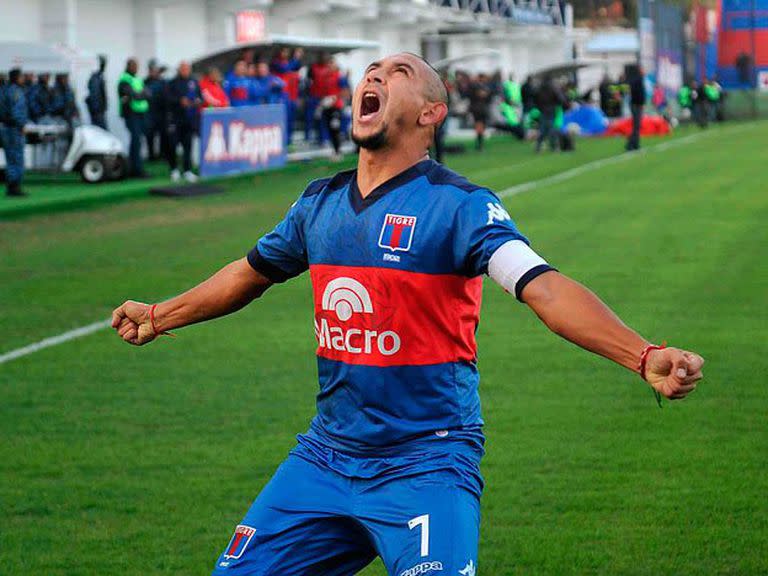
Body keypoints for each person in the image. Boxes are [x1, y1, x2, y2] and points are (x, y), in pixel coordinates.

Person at [111, 52, 704, 576]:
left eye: (399, 73)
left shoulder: (461, 206)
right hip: (324, 456)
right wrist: (160, 316)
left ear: (430, 114)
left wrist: (642, 354)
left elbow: (543, 288)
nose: (376, 76)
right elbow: (248, 274)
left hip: (427, 460)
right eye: (372, 71)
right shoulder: (317, 203)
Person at [166, 61, 202, 182]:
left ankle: (187, 170)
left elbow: (200, 96)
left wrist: (197, 101)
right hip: (175, 119)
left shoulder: (194, 82)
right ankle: (174, 169)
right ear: (179, 69)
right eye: (183, 69)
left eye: (187, 69)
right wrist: (179, 101)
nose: (185, 71)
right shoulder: (172, 83)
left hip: (189, 119)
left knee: (188, 146)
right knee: (173, 145)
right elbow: (167, 99)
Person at [118, 58, 150, 178]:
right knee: (135, 140)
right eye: (133, 66)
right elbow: (134, 95)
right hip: (131, 114)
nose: (136, 68)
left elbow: (148, 94)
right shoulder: (124, 79)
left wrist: (140, 95)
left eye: (136, 66)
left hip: (140, 113)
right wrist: (140, 94)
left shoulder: (137, 79)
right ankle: (135, 169)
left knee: (137, 141)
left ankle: (135, 168)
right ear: (128, 66)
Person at [1, 68, 28, 197]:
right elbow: (16, 112)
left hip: (7, 128)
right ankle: (14, 186)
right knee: (16, 157)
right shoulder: (16, 92)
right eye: (21, 76)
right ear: (17, 78)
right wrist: (21, 125)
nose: (24, 79)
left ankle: (12, 186)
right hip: (14, 129)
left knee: (11, 157)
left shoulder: (5, 90)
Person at [271, 47, 303, 145]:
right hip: (280, 97)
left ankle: (289, 141)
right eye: (284, 51)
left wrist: (297, 97)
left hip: (290, 97)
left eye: (287, 52)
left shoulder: (291, 68)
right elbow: (284, 68)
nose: (285, 54)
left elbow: (296, 83)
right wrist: (296, 58)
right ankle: (281, 141)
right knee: (281, 120)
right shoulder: (276, 63)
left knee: (290, 120)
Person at [144, 60, 169, 162]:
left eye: (155, 70)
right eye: (152, 70)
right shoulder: (145, 82)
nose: (153, 72)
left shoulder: (163, 82)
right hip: (149, 113)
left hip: (161, 112)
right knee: (150, 135)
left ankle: (162, 154)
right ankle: (151, 156)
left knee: (163, 135)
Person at [534, 75, 564, 153]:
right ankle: (554, 147)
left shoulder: (539, 88)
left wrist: (539, 107)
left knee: (543, 129)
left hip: (542, 110)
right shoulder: (553, 88)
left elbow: (535, 99)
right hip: (551, 110)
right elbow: (560, 99)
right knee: (551, 129)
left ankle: (538, 146)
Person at [468, 73, 493, 151]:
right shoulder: (475, 86)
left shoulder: (484, 86)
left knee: (481, 127)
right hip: (478, 110)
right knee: (479, 126)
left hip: (482, 109)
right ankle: (479, 145)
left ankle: (479, 144)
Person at [626, 66, 646, 152]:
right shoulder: (638, 80)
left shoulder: (637, 79)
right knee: (636, 125)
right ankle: (632, 144)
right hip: (636, 105)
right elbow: (638, 93)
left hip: (636, 104)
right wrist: (641, 103)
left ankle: (634, 144)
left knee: (637, 126)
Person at [86, 55, 108, 129]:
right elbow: (95, 95)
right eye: (103, 64)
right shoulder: (96, 78)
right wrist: (98, 110)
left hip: (99, 111)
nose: (104, 66)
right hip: (97, 112)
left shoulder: (99, 76)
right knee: (101, 132)